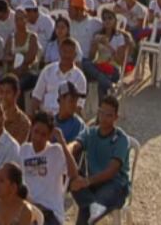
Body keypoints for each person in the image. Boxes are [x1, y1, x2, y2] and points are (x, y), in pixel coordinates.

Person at [68, 95, 131, 225]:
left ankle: (92, 205)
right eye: (101, 112)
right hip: (93, 186)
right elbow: (76, 144)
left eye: (108, 115)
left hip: (115, 185)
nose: (103, 118)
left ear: (115, 118)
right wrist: (67, 149)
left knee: (89, 209)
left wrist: (87, 181)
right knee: (72, 179)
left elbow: (111, 172)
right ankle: (92, 204)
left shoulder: (121, 139)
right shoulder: (90, 132)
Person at [20, 111, 78, 225]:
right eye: (36, 132)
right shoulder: (24, 150)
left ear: (49, 135)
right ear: (31, 129)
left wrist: (62, 142)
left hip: (50, 212)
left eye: (43, 134)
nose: (38, 138)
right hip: (29, 208)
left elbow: (73, 173)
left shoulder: (56, 151)